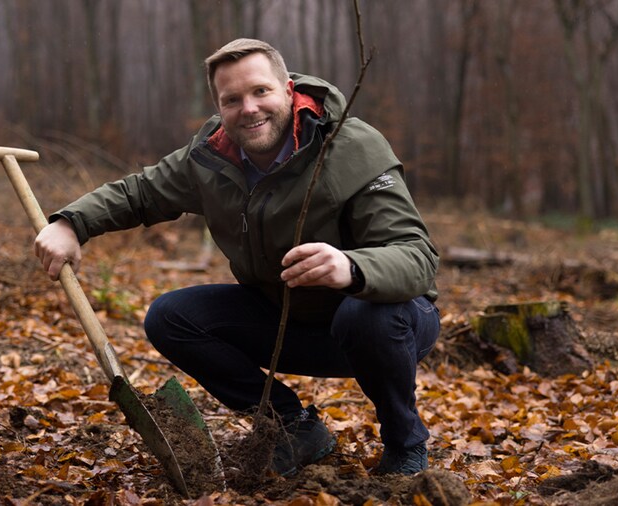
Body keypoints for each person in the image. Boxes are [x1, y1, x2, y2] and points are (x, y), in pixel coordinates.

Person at [34, 38, 440, 477]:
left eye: (260, 91)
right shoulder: (212, 156)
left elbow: (417, 257)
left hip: (383, 326)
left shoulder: (351, 146)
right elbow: (140, 192)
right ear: (220, 107)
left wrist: (352, 268)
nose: (249, 108)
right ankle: (292, 427)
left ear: (287, 90)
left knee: (367, 316)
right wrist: (72, 222)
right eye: (232, 99)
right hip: (285, 320)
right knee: (171, 317)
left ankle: (405, 444)